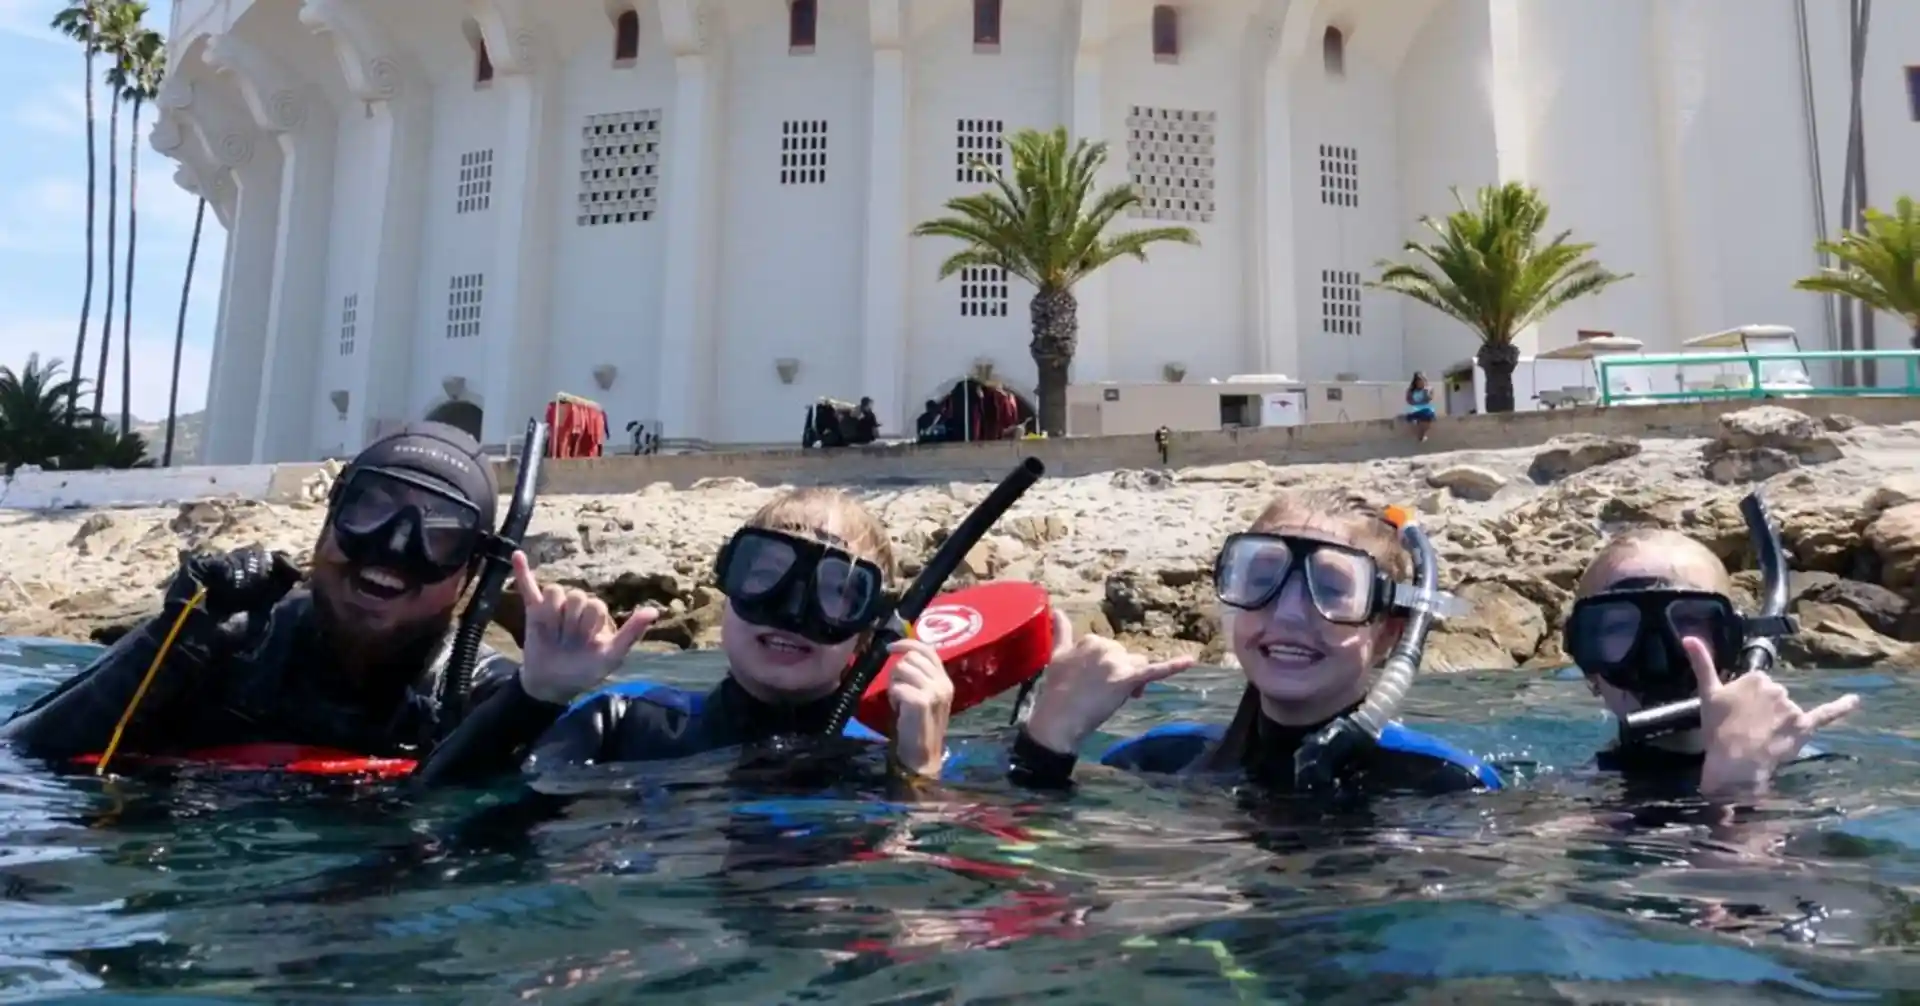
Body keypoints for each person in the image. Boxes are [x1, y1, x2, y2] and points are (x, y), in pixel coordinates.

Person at [0, 422, 572, 773]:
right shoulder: (229, 640)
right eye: (370, 511)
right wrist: (169, 643)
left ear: (471, 574)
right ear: (324, 525)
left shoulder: (476, 694)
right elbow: (21, 752)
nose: (393, 549)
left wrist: (544, 694)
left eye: (439, 534)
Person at [1007, 490, 1500, 795]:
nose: (1286, 613)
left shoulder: (1444, 785)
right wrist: (1049, 738)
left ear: (1389, 632)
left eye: (1331, 590)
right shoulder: (1161, 760)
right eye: (1260, 579)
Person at [457, 487, 956, 780]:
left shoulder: (888, 763)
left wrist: (920, 778)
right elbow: (451, 812)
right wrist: (535, 696)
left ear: (867, 634)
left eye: (837, 591)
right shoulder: (620, 722)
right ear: (725, 586)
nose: (789, 610)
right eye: (764, 574)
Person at [1563, 528, 1859, 794]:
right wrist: (1736, 790)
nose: (1658, 657)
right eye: (1619, 626)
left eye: (1690, 619)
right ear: (1589, 667)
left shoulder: (1824, 781)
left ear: (1732, 645)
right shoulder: (1571, 805)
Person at [1404, 372, 1436, 442]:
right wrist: (1415, 403)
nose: (1420, 383)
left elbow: (1429, 399)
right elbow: (1409, 400)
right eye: (1418, 381)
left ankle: (1422, 434)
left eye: (1422, 380)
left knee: (1428, 414)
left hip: (1425, 407)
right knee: (1411, 415)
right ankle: (1418, 432)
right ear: (1415, 382)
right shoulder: (1411, 390)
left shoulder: (1428, 389)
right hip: (1415, 407)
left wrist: (1425, 392)